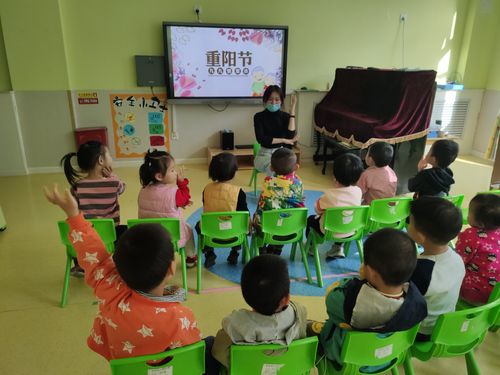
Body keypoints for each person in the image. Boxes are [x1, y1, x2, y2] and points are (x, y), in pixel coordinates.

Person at [43, 185, 206, 362]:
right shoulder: (180, 317)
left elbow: (94, 253)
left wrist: (74, 215)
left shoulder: (109, 286)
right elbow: (192, 355)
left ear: (118, 264)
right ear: (170, 269)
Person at [308, 228, 427, 369]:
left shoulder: (351, 302)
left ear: (372, 273)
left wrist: (360, 279)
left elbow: (330, 296)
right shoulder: (417, 303)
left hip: (347, 359)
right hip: (389, 357)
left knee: (308, 329)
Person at [211, 254, 307, 370]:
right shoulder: (299, 313)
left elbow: (218, 353)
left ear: (245, 296)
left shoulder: (233, 326)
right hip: (288, 369)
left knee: (209, 343)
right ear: (286, 299)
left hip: (246, 370)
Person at [61, 140, 126, 276]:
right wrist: (112, 176)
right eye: (109, 155)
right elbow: (122, 188)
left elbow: (75, 209)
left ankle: (79, 265)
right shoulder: (114, 182)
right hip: (110, 235)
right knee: (126, 231)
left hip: (86, 235)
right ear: (101, 160)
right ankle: (119, 263)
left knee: (73, 233)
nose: (111, 158)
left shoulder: (77, 186)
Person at [408, 196, 465, 340]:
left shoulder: (421, 269)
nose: (408, 224)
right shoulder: (457, 258)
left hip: (420, 331)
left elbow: (400, 300)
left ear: (420, 237)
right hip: (443, 325)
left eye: (410, 221)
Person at [137, 149, 197, 267]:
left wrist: (180, 203)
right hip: (171, 237)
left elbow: (156, 204)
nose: (175, 173)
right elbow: (185, 196)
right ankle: (190, 258)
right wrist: (181, 182)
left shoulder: (142, 190)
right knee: (188, 229)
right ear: (159, 176)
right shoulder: (174, 193)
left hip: (150, 237)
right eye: (172, 170)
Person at [196, 152, 250, 268]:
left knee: (198, 226)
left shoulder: (207, 189)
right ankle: (235, 251)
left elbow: (206, 208)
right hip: (233, 234)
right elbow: (245, 214)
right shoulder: (238, 192)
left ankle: (209, 252)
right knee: (241, 224)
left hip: (211, 233)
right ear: (234, 172)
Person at [306, 153, 364, 259]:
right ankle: (337, 248)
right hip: (351, 230)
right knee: (343, 219)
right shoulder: (358, 191)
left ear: (334, 176)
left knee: (310, 220)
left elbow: (317, 209)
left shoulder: (330, 195)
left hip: (328, 231)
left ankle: (311, 247)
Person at [253, 148, 305, 255]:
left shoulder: (268, 181)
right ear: (296, 167)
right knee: (284, 217)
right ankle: (277, 248)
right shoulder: (298, 184)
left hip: (265, 228)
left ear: (271, 168)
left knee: (259, 216)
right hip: (290, 228)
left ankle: (262, 247)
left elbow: (261, 202)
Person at [456, 193, 500, 304]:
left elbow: (458, 261)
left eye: (470, 212)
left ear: (480, 224)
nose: (467, 215)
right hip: (496, 294)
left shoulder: (471, 236)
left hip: (474, 292)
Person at [253, 85, 298, 175]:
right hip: (264, 155)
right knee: (274, 168)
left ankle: (286, 188)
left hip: (281, 154)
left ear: (281, 101)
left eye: (277, 99)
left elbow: (290, 136)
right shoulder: (258, 117)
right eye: (270, 99)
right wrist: (283, 140)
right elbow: (261, 139)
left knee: (288, 168)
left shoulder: (285, 116)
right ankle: (273, 188)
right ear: (265, 100)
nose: (273, 102)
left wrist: (292, 112)